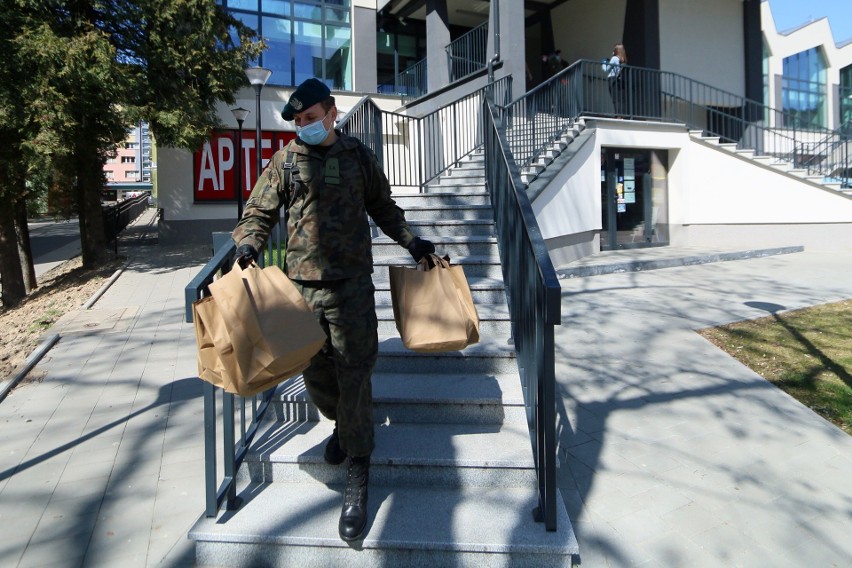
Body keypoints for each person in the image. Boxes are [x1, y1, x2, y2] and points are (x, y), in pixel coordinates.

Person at [231, 78, 435, 542]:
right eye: (298, 122)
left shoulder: (359, 156)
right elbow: (258, 212)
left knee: (355, 373)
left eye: (310, 118)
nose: (304, 127)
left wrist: (412, 242)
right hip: (300, 290)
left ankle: (358, 474)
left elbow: (383, 207)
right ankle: (343, 428)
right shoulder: (286, 161)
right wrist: (248, 244)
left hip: (352, 289)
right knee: (314, 373)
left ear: (332, 111)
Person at [602, 43, 628, 116]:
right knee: (619, 98)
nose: (612, 52)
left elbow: (606, 69)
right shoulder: (623, 60)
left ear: (616, 50)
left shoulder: (614, 58)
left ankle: (617, 115)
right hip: (619, 80)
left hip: (612, 79)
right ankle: (620, 115)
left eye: (614, 50)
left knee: (614, 98)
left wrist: (604, 62)